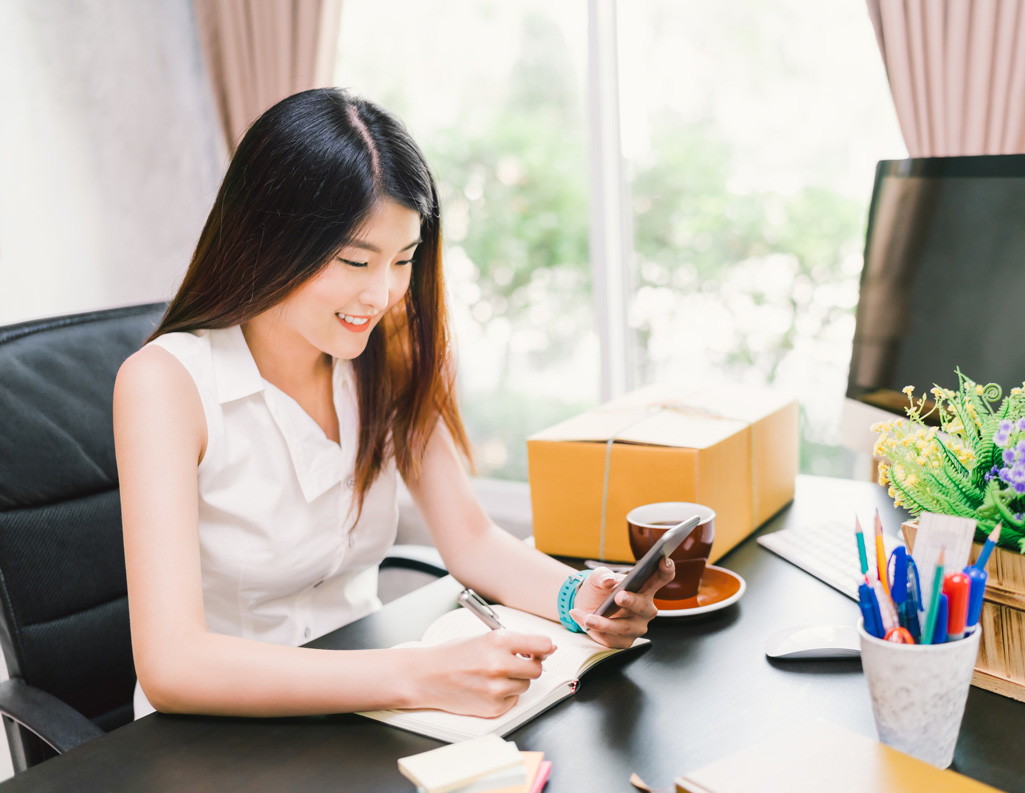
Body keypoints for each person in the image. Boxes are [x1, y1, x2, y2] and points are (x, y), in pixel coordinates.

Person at [114, 88, 673, 720]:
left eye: (403, 260)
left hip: (367, 709)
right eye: (355, 260)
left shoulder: (389, 353)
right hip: (215, 735)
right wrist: (416, 676)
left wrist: (579, 596)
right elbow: (173, 666)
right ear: (269, 239)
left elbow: (471, 538)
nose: (380, 294)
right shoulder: (164, 384)